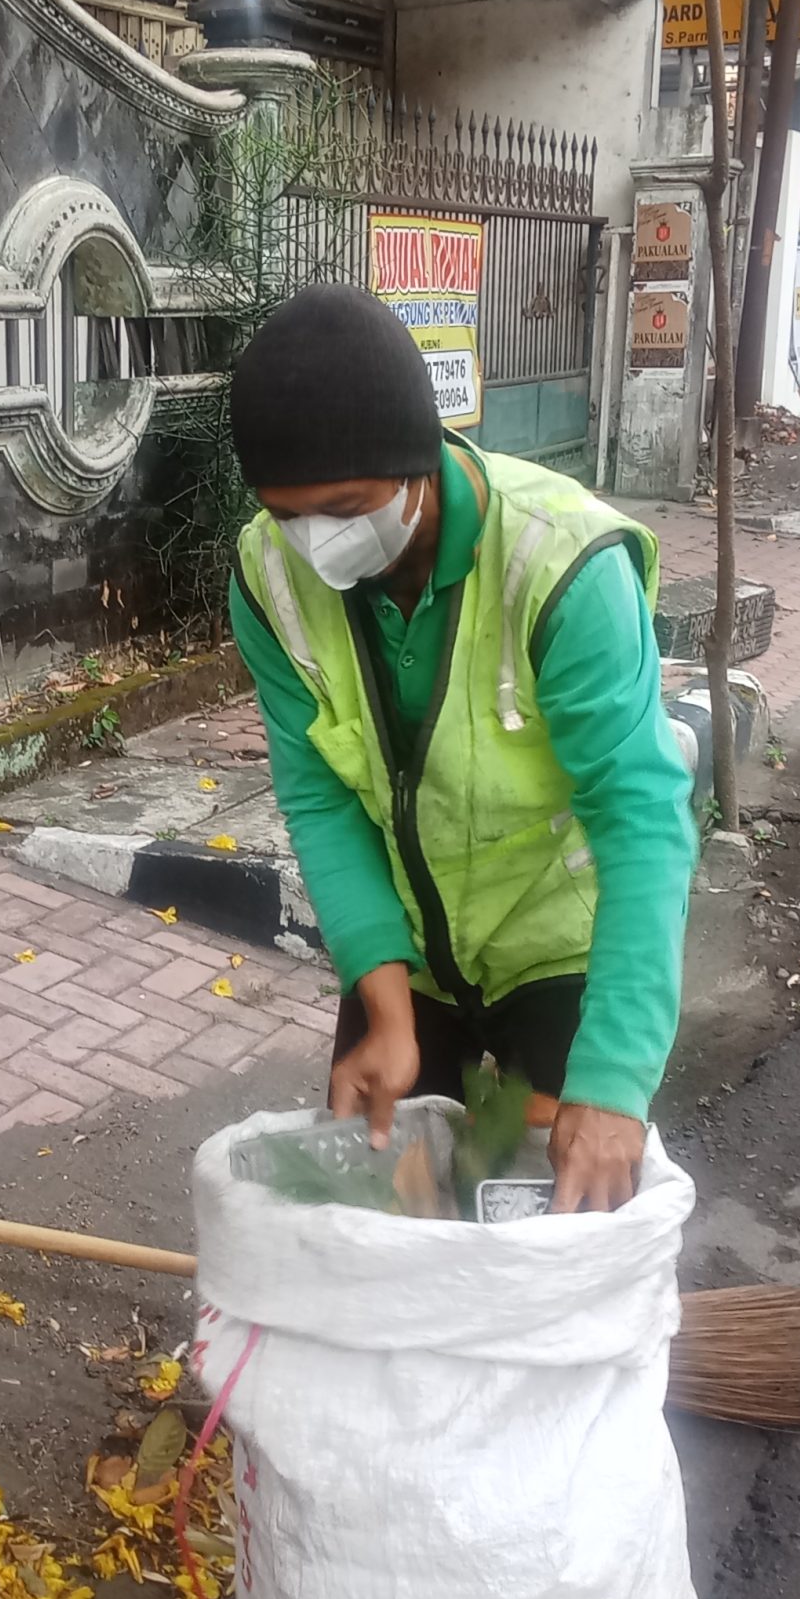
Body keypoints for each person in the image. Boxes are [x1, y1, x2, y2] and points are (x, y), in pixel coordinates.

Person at [225, 285, 696, 1215]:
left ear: (421, 465)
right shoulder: (268, 577)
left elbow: (640, 815)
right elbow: (319, 799)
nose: (317, 545)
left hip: (556, 948)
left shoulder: (562, 565)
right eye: (289, 516)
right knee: (383, 1212)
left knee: (560, 1223)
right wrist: (385, 1005)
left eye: (345, 508)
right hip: (407, 948)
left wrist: (612, 1082)